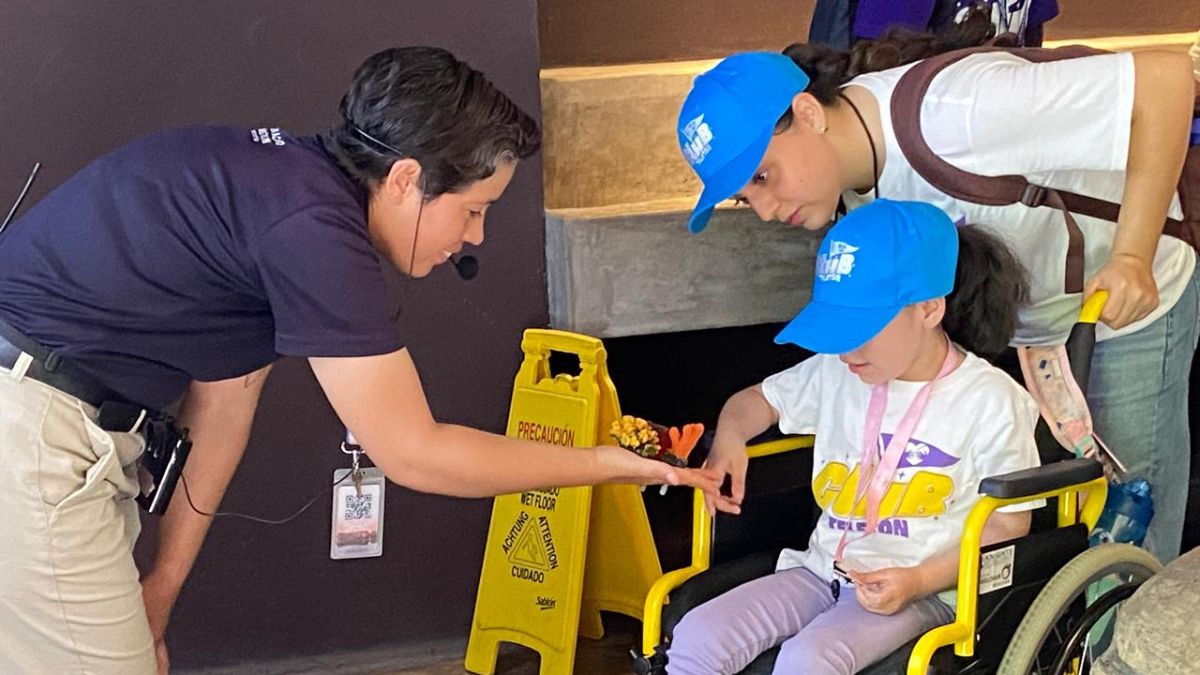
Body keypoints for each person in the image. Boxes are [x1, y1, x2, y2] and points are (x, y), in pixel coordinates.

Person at [0, 46, 719, 675]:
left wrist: (162, 586)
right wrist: (604, 461)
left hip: (55, 427)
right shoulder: (314, 232)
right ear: (407, 178)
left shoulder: (280, 186)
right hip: (35, 434)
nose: (474, 236)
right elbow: (416, 453)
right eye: (472, 208)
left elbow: (224, 400)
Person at [675, 20, 1198, 563]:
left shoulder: (959, 111)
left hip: (1125, 309)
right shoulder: (852, 189)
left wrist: (1132, 256)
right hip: (1038, 335)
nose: (763, 211)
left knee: (1128, 530)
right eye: (743, 198)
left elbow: (1164, 81)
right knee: (1070, 529)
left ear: (807, 114)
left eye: (763, 177)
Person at [666, 199, 1039, 674]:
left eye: (862, 328)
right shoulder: (836, 373)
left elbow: (1008, 527)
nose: (847, 351)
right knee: (697, 636)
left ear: (928, 308)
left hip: (924, 590)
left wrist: (919, 580)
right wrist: (730, 440)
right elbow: (751, 402)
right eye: (838, 330)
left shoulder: (990, 400)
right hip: (821, 571)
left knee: (808, 662)